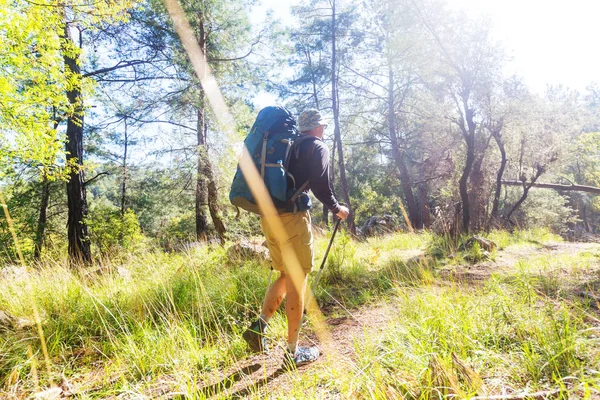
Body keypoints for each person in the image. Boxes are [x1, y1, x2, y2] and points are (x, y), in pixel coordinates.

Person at [242, 109, 350, 367]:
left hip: (268, 217)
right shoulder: (316, 146)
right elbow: (321, 185)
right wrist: (338, 209)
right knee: (297, 279)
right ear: (316, 127)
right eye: (322, 126)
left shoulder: (287, 144)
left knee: (284, 273)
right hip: (292, 218)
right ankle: (292, 353)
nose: (324, 129)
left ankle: (259, 328)